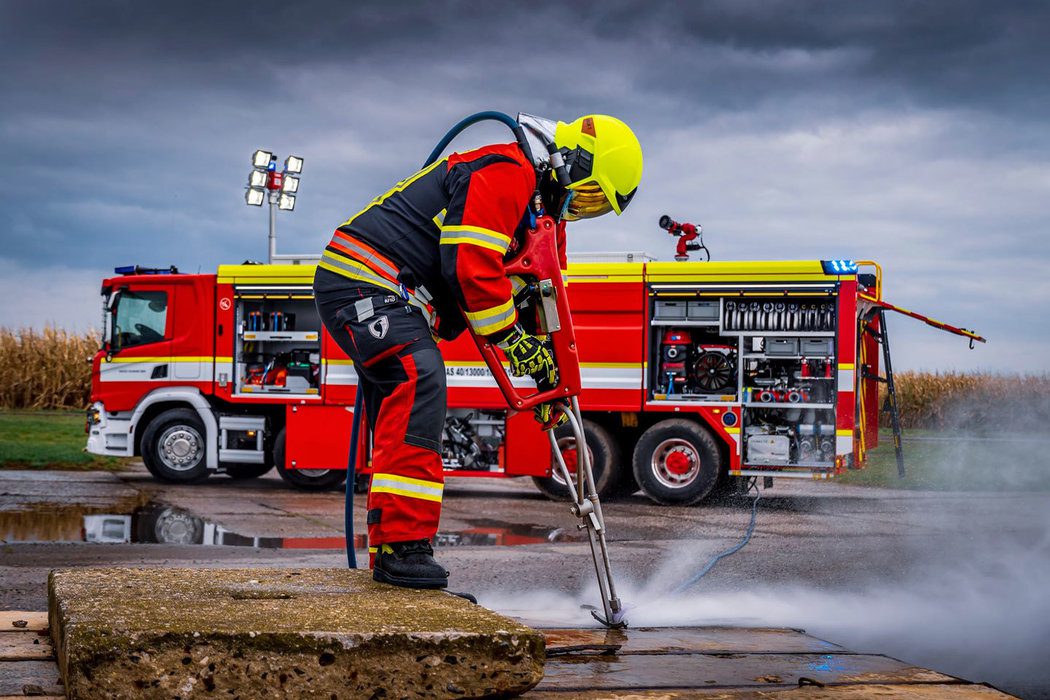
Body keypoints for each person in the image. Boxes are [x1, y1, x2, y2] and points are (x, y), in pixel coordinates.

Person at [313, 114, 643, 589]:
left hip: (395, 295)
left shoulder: (542, 219)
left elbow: (542, 296)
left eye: (595, 208)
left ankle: (393, 551)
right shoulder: (506, 171)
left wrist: (550, 377)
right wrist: (515, 343)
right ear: (569, 162)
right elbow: (471, 268)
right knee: (420, 379)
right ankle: (403, 550)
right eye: (589, 194)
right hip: (364, 281)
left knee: (406, 412)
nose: (579, 208)